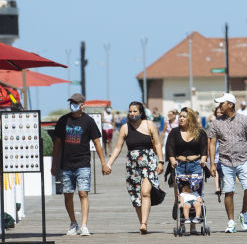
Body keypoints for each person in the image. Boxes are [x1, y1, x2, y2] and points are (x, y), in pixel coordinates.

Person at [52, 93, 111, 236]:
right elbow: (57, 144)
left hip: (83, 163)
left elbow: (97, 143)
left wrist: (104, 163)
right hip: (66, 164)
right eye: (71, 102)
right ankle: (73, 223)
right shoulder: (63, 120)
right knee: (68, 194)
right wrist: (54, 164)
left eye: (76, 102)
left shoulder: (89, 121)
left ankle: (84, 225)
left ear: (82, 105)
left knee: (83, 193)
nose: (73, 105)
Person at [106, 101, 164, 234]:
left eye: (135, 111)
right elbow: (117, 147)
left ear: (141, 112)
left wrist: (161, 161)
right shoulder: (125, 128)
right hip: (133, 165)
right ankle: (142, 223)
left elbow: (157, 144)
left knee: (145, 192)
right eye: (130, 111)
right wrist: (109, 163)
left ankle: (144, 223)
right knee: (136, 196)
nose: (132, 113)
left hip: (149, 162)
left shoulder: (149, 125)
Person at [207, 93, 247, 233]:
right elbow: (212, 144)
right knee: (228, 192)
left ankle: (243, 213)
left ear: (230, 104)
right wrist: (212, 164)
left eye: (221, 103)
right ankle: (231, 221)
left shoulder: (244, 120)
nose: (219, 106)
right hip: (225, 161)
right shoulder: (216, 123)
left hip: (243, 160)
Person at [166, 107, 209, 191]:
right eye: (180, 116)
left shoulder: (200, 132)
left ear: (190, 118)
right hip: (179, 165)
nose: (181, 119)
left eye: (184, 117)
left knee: (196, 193)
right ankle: (177, 203)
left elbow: (204, 148)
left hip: (196, 165)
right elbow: (170, 148)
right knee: (182, 194)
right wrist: (172, 161)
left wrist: (203, 160)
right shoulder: (174, 132)